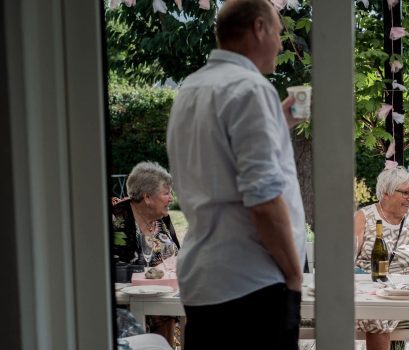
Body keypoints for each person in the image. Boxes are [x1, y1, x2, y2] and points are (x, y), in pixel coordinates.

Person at [166, 1, 306, 348]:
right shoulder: (250, 89)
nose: (280, 43)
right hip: (252, 283)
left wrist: (277, 119)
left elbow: (216, 158)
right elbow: (262, 199)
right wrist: (293, 275)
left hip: (203, 281)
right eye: (277, 32)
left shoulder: (191, 89)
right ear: (259, 28)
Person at [354, 166, 409, 350]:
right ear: (386, 193)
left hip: (404, 294)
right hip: (369, 293)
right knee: (377, 313)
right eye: (405, 193)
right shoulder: (363, 217)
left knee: (380, 313)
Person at [111, 161, 179, 345]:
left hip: (163, 298)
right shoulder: (115, 218)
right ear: (147, 197)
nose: (171, 198)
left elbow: (177, 254)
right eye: (166, 193)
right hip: (125, 301)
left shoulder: (163, 220)